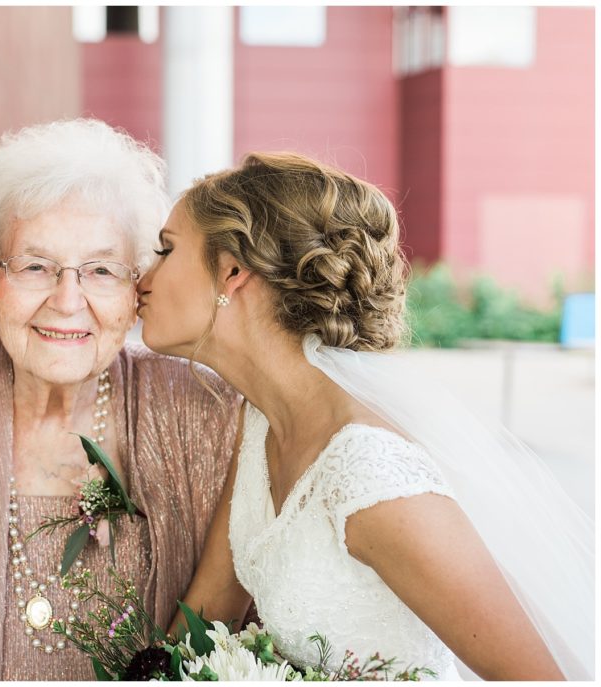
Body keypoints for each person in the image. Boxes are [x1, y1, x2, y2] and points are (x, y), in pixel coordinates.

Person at [137, 152, 593, 680]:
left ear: (232, 271)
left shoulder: (369, 475)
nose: (142, 279)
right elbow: (206, 618)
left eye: (165, 251)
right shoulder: (260, 421)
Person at [0, 119, 243, 680]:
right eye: (35, 266)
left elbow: (242, 633)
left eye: (101, 270)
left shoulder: (201, 413)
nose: (67, 301)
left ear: (137, 289)